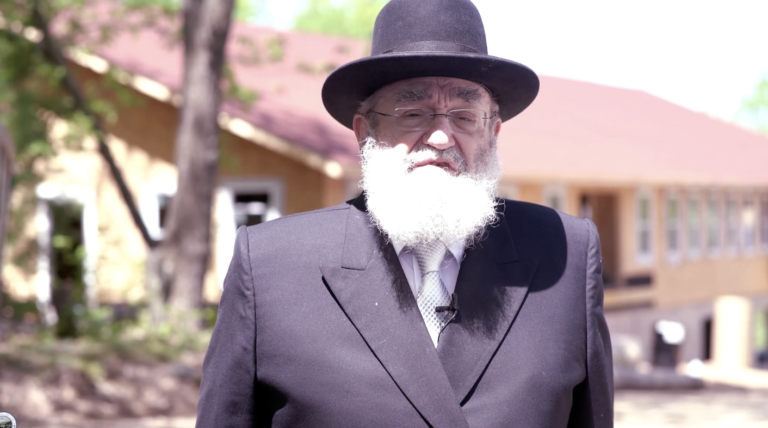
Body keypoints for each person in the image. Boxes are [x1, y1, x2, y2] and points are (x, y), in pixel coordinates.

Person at [195, 0, 613, 426]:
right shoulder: (271, 267)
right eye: (413, 113)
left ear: (493, 133)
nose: (440, 137)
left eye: (465, 116)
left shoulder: (566, 257)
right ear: (365, 133)